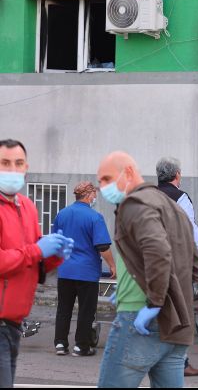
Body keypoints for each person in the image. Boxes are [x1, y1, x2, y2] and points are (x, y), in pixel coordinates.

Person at [96, 151, 198, 388]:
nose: (102, 186)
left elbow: (157, 250)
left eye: (106, 179)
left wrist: (154, 302)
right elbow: (194, 266)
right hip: (176, 327)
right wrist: (128, 284)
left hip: (139, 318)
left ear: (129, 173)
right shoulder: (176, 208)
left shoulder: (134, 204)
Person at [0, 139, 71, 389]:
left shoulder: (27, 206)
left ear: (26, 167)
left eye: (18, 163)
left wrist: (55, 255)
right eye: (5, 163)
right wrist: (37, 250)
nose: (12, 169)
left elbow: (33, 262)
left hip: (14, 323)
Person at [155, 156, 198, 377]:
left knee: (158, 311)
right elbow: (191, 230)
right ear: (177, 175)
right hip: (176, 264)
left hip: (152, 263)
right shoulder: (181, 198)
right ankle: (181, 362)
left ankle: (158, 360)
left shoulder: (148, 196)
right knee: (181, 313)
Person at [53, 181, 116, 357]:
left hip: (65, 270)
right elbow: (103, 246)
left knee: (63, 308)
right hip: (86, 271)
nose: (95, 197)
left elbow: (55, 241)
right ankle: (81, 346)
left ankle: (60, 343)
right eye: (94, 194)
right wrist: (112, 264)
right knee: (86, 310)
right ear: (89, 195)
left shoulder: (62, 214)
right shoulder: (95, 217)